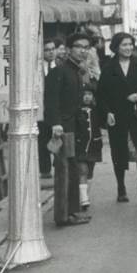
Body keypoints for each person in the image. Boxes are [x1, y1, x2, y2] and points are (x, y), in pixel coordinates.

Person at [96, 33, 137, 205]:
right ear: (117, 47)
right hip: (118, 116)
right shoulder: (109, 68)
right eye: (124, 45)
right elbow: (101, 94)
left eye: (130, 44)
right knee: (119, 153)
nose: (128, 48)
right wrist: (107, 112)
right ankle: (121, 187)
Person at [43, 32, 91, 226]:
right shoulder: (59, 71)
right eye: (79, 46)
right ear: (69, 49)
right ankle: (63, 215)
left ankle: (72, 212)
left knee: (72, 169)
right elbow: (51, 101)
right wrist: (55, 124)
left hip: (73, 127)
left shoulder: (76, 71)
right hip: (63, 129)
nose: (83, 50)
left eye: (86, 47)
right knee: (64, 171)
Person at [38, 37, 63, 179]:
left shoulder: (61, 66)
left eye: (52, 49)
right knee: (43, 141)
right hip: (42, 109)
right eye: (46, 50)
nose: (50, 52)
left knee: (58, 140)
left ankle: (59, 168)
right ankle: (45, 171)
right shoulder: (36, 68)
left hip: (58, 110)